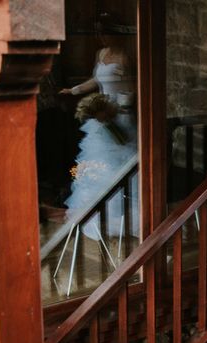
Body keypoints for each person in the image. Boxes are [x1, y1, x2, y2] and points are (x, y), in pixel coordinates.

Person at [60, 13, 138, 241]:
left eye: (103, 32)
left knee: (118, 165)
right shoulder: (101, 54)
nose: (100, 37)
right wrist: (73, 91)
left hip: (121, 115)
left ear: (112, 32)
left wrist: (122, 106)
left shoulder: (124, 56)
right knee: (96, 165)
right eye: (97, 32)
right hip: (102, 116)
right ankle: (96, 213)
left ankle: (121, 214)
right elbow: (95, 81)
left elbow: (134, 86)